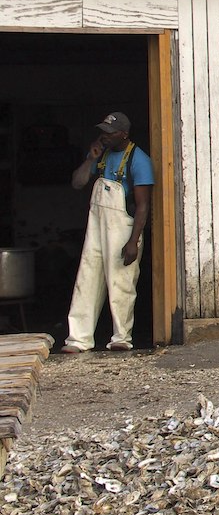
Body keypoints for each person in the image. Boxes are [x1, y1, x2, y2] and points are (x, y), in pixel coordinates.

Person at [61, 112, 154, 353]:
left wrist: (133, 240)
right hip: (98, 227)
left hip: (123, 229)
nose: (105, 136)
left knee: (120, 282)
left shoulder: (138, 159)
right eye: (103, 131)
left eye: (110, 133)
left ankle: (121, 337)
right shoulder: (99, 155)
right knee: (87, 278)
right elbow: (78, 183)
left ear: (123, 134)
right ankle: (78, 339)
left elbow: (143, 204)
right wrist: (90, 159)